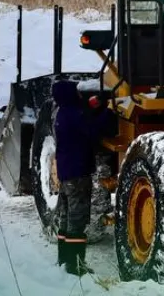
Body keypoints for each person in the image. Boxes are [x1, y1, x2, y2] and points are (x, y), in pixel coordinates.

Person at [52, 79, 115, 276]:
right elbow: (93, 130)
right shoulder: (74, 115)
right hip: (78, 174)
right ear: (71, 96)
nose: (81, 96)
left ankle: (63, 259)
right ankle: (75, 265)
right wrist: (108, 111)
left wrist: (93, 104)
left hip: (66, 173)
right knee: (78, 220)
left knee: (66, 216)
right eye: (77, 93)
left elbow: (81, 115)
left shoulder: (62, 113)